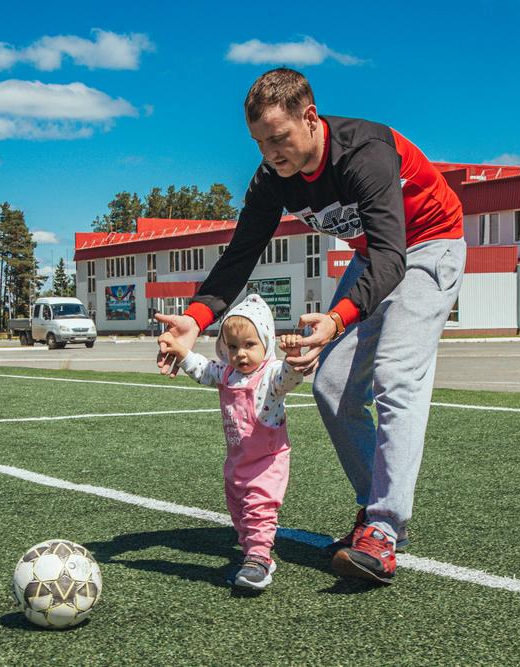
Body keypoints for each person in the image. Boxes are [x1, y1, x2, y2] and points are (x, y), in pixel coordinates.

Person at [156, 68, 466, 585]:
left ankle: (385, 529)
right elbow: (240, 256)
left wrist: (339, 317)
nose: (270, 153)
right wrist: (194, 318)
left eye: (278, 138)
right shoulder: (271, 178)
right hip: (375, 257)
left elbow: (394, 257)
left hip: (430, 244)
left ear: (310, 117)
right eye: (259, 142)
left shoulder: (364, 152)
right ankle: (373, 511)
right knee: (332, 384)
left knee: (394, 376)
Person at [159, 294, 304, 590]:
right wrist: (181, 351)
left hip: (267, 461)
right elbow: (201, 368)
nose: (240, 354)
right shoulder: (226, 374)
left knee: (259, 509)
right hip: (237, 461)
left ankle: (259, 559)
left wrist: (293, 356)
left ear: (266, 341)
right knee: (238, 512)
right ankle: (253, 551)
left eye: (250, 345)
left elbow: (291, 378)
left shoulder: (272, 374)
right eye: (233, 346)